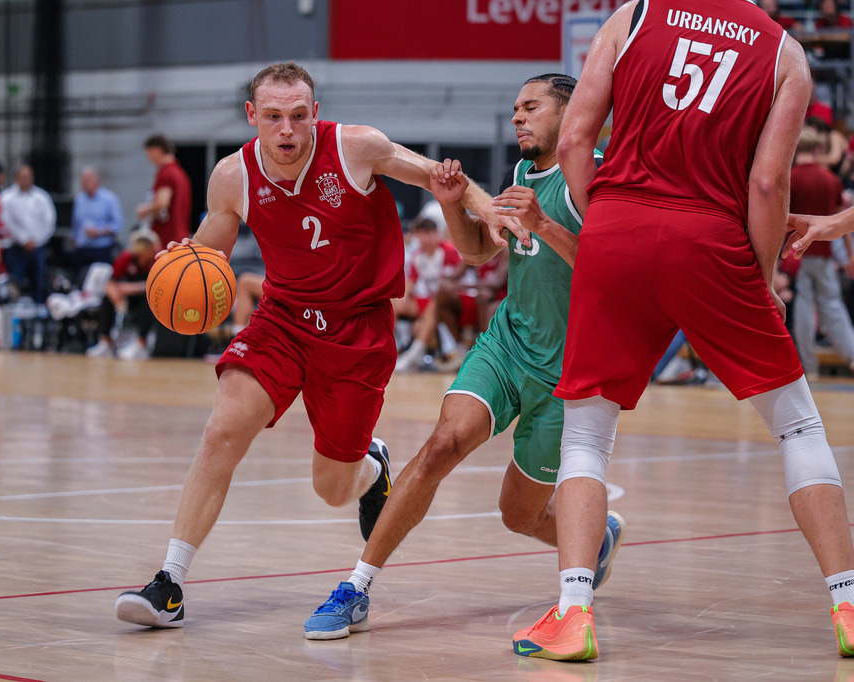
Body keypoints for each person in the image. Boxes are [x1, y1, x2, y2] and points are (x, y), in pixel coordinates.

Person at [113, 61, 527, 629]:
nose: (287, 130)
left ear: (315, 112)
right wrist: (179, 264)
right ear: (253, 116)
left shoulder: (356, 148)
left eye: (299, 116)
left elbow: (440, 177)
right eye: (275, 117)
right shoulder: (233, 176)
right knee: (222, 431)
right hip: (282, 321)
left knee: (332, 488)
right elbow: (210, 251)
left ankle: (370, 468)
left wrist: (485, 207)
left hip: (357, 330)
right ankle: (170, 583)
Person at [514, 0, 854, 661]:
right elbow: (764, 181)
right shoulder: (785, 52)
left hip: (616, 228)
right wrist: (759, 281)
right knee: (798, 425)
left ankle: (574, 612)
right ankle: (848, 602)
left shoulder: (634, 15)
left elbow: (576, 139)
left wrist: (608, 217)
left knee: (587, 433)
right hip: (711, 238)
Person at [302, 74, 623, 641]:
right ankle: (356, 587)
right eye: (515, 108)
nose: (519, 117)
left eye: (532, 107)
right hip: (508, 344)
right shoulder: (519, 172)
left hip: (570, 373)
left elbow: (614, 269)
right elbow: (481, 252)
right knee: (439, 447)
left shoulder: (602, 174)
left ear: (571, 113)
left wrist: (543, 225)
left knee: (518, 514)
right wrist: (454, 206)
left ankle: (595, 536)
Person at [790, 126, 854, 379]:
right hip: (826, 253)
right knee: (833, 306)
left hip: (797, 253)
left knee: (804, 308)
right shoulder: (830, 179)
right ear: (817, 149)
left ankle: (809, 367)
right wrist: (849, 256)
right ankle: (851, 356)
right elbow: (844, 223)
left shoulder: (790, 177)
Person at [392, 216, 465, 372]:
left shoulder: (448, 251)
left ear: (434, 234)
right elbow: (411, 282)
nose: (422, 239)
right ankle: (387, 349)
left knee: (436, 301)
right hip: (431, 301)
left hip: (453, 299)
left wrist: (422, 318)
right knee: (393, 301)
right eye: (419, 235)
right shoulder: (418, 255)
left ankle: (412, 355)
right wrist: (403, 297)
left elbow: (448, 287)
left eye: (425, 234)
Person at [85, 228, 159, 361]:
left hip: (145, 297)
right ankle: (106, 343)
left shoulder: (157, 260)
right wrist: (115, 296)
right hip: (125, 299)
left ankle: (141, 345)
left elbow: (157, 285)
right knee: (107, 300)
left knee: (150, 303)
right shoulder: (126, 257)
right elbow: (110, 282)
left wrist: (130, 288)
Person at [0, 165, 56, 304]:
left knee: (39, 282)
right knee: (15, 283)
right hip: (16, 247)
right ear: (17, 178)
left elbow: (50, 221)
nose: (26, 180)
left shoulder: (41, 197)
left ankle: (39, 314)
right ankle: (14, 314)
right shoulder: (7, 197)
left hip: (37, 246)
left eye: (28, 177)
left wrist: (36, 240)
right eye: (23, 177)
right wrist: (23, 239)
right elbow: (6, 221)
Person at [136, 135, 192, 247]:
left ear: (158, 151)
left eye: (149, 153)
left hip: (167, 238)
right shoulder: (179, 173)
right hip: (180, 235)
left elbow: (162, 203)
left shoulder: (166, 173)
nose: (148, 158)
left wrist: (144, 210)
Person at [70, 166, 123, 282]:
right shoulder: (79, 200)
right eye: (83, 181)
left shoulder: (109, 199)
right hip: (82, 248)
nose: (84, 184)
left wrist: (99, 232)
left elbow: (117, 224)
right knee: (80, 280)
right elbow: (75, 224)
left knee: (99, 282)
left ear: (96, 181)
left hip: (101, 248)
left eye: (87, 180)